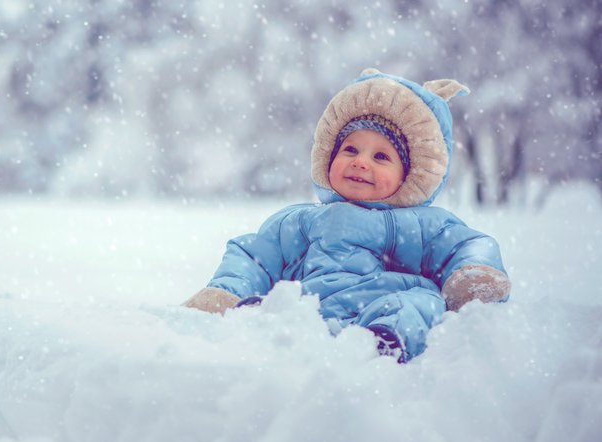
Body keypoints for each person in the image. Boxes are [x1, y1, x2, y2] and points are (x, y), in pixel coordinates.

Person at [182, 68, 511, 362]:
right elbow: (254, 256)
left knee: (423, 301)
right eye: (350, 149)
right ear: (328, 156)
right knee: (268, 303)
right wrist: (228, 291)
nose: (361, 162)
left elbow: (465, 245)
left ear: (409, 175)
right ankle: (257, 327)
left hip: (382, 306)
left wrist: (472, 272)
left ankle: (385, 344)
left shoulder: (423, 224)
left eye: (381, 156)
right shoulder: (301, 220)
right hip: (307, 310)